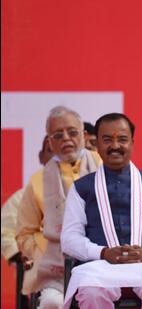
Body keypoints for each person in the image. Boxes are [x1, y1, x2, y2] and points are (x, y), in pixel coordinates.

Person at [61, 113, 142, 309]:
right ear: (97, 144)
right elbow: (69, 238)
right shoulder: (82, 188)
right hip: (100, 266)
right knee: (91, 292)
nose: (115, 146)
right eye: (107, 140)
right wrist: (103, 253)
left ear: (132, 144)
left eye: (122, 139)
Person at [16, 106, 101, 309]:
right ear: (50, 141)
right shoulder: (37, 181)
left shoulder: (105, 166)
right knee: (51, 303)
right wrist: (46, 250)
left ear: (84, 135)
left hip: (102, 264)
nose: (66, 139)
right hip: (56, 271)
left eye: (72, 133)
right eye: (58, 135)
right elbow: (24, 233)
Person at [1, 135, 54, 307]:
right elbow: (4, 232)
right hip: (43, 272)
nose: (57, 156)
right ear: (41, 157)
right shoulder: (24, 196)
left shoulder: (85, 192)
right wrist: (22, 253)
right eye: (50, 151)